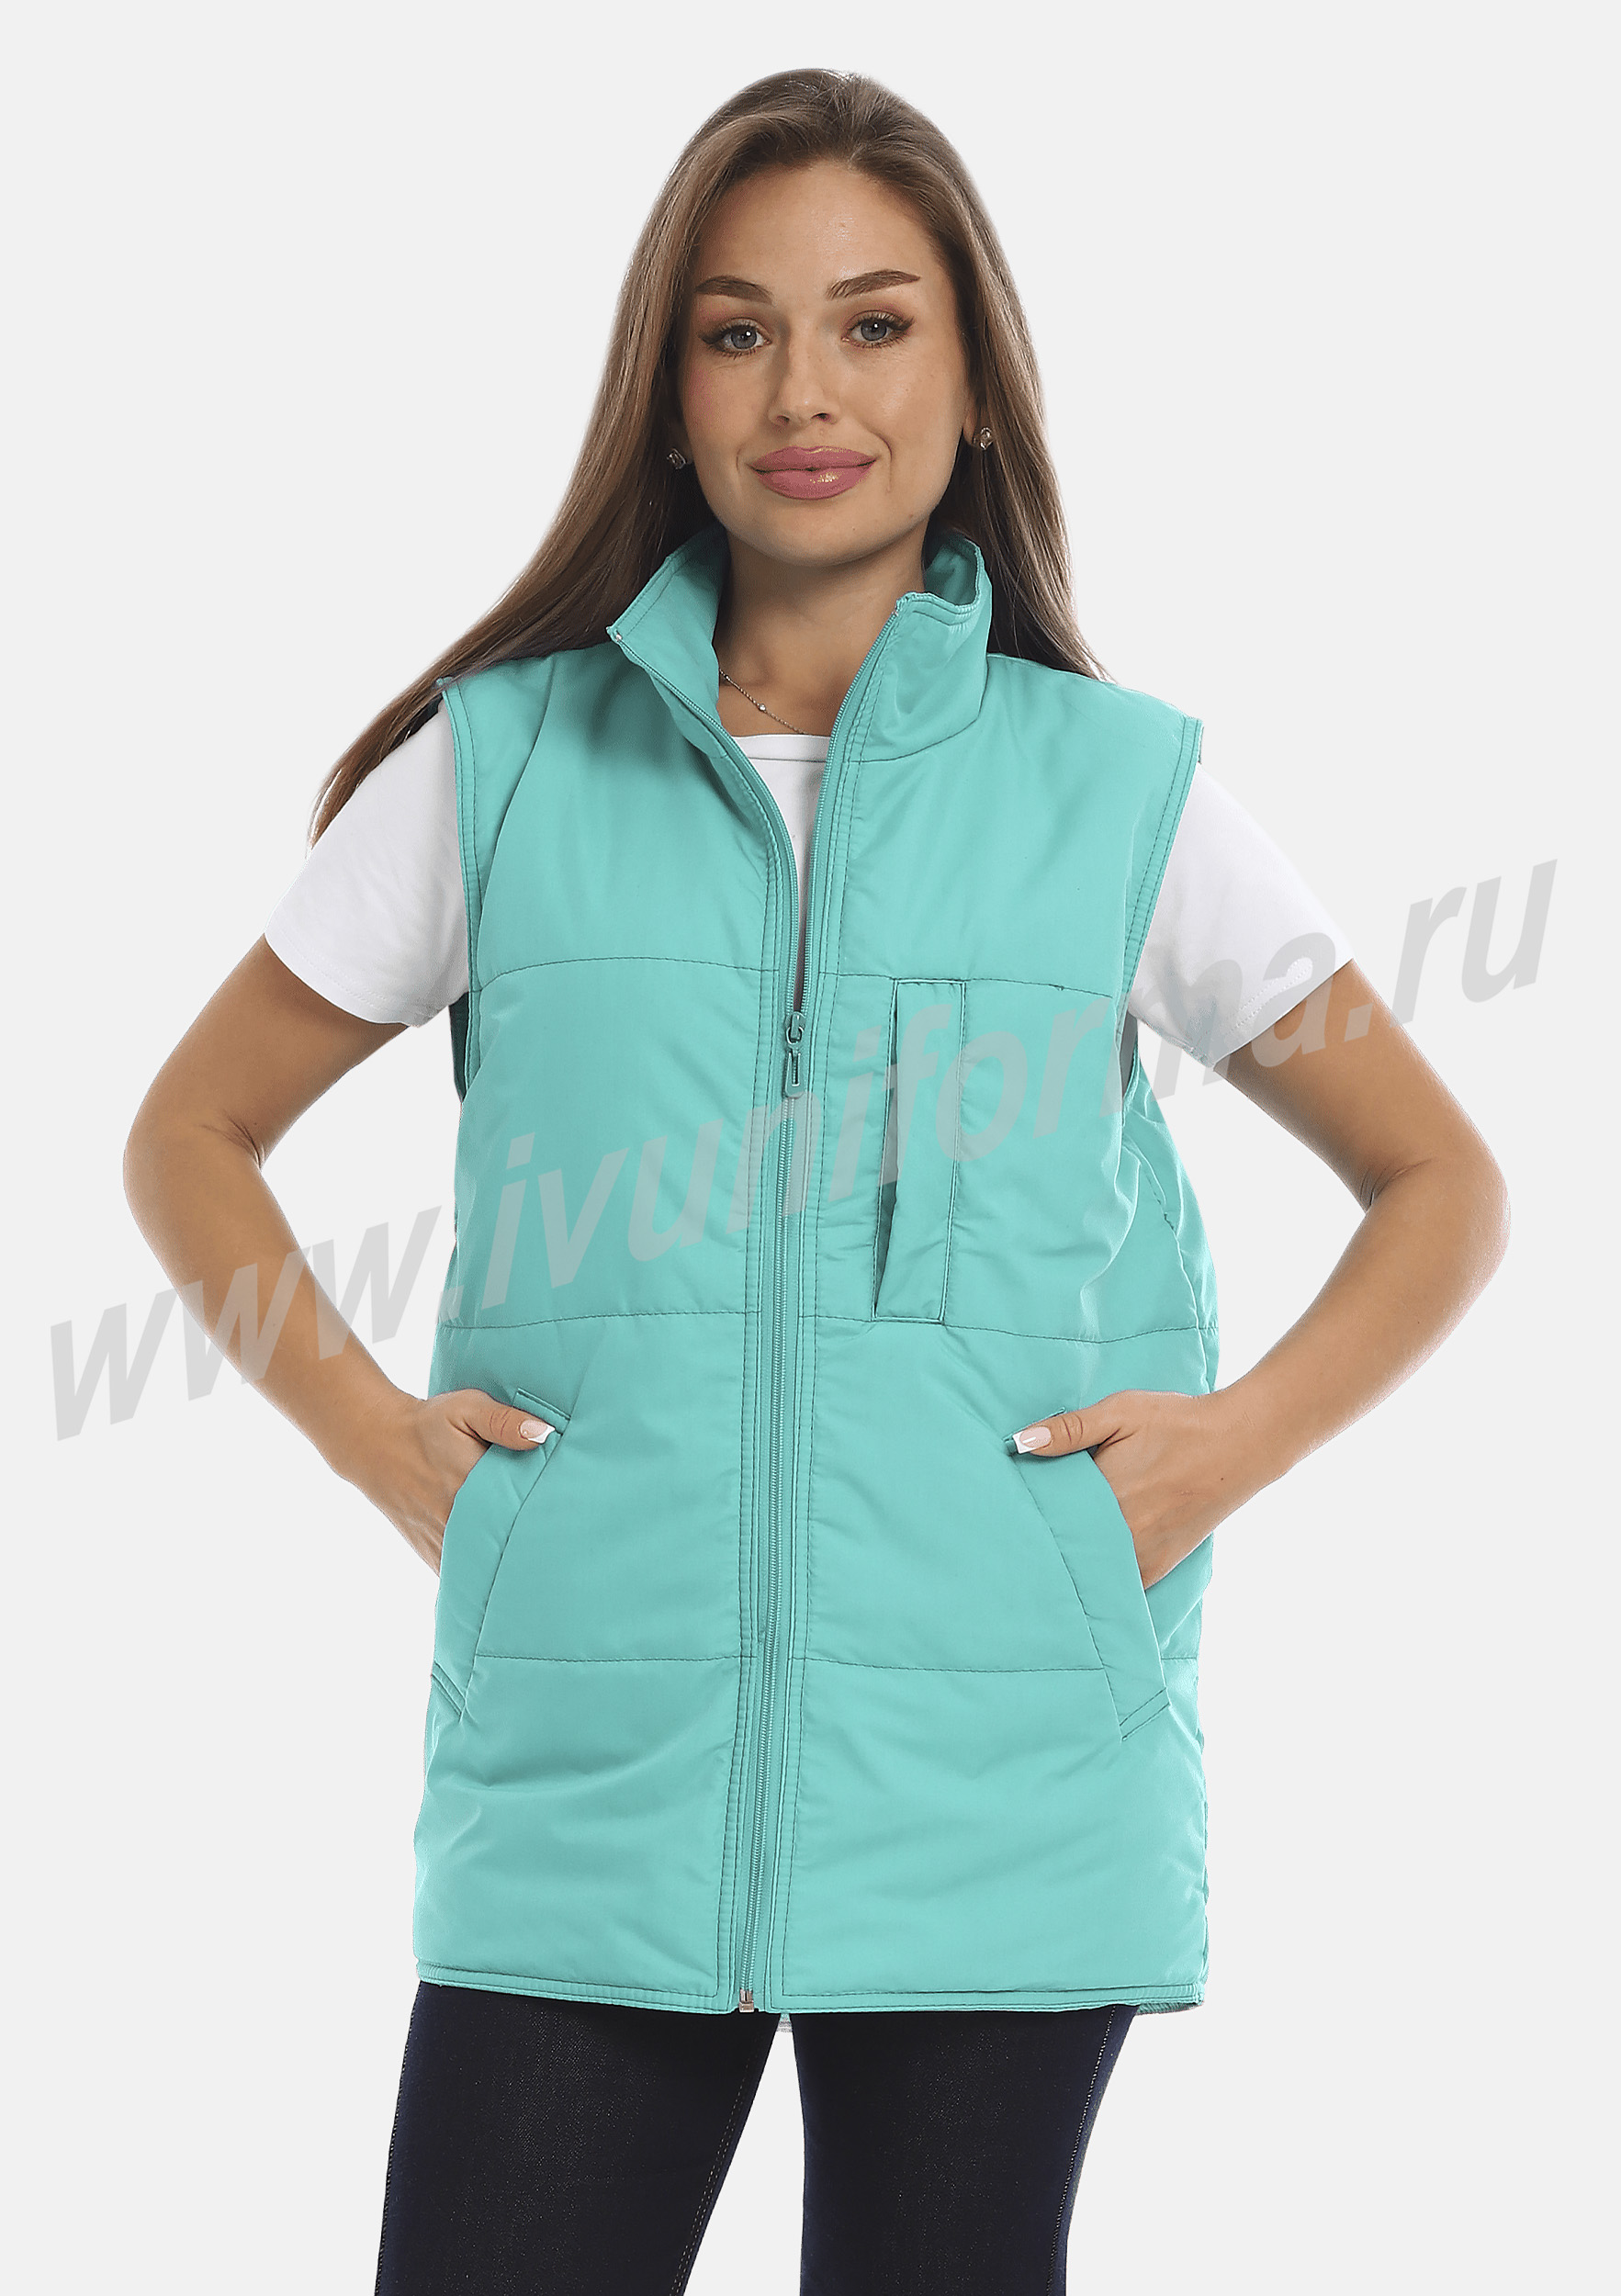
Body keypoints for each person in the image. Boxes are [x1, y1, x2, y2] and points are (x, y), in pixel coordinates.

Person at [122, 66, 1509, 2296]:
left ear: (975, 384)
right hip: (589, 1783)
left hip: (1008, 1781)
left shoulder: (1120, 794)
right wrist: (371, 1435)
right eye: (736, 330)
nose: (805, 391)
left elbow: (1436, 1174)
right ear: (666, 396)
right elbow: (189, 1134)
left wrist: (1222, 1449)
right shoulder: (500, 766)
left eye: (874, 324)